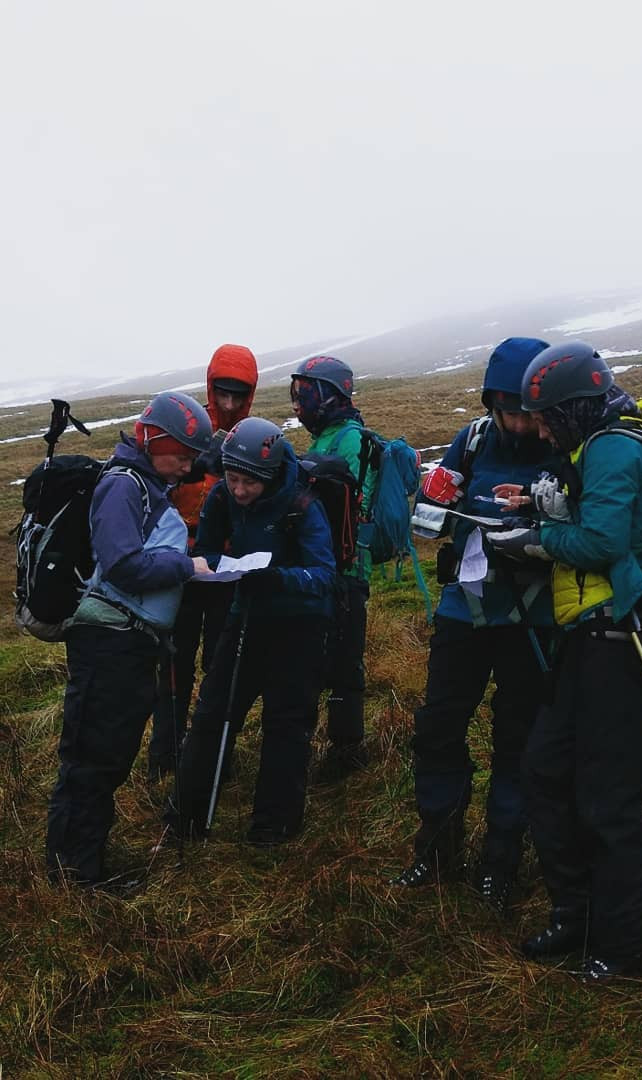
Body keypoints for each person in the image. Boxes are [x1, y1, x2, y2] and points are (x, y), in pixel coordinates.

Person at [486, 341, 642, 979]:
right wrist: (537, 506)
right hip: (586, 638)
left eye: (545, 418)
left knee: (607, 797)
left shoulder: (614, 448)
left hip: (620, 637)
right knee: (545, 771)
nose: (538, 430)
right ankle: (576, 914)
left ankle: (622, 947)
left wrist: (537, 541)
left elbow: (603, 540)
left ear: (571, 409)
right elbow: (593, 516)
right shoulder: (593, 448)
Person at [391, 337, 557, 913]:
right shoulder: (474, 439)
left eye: (529, 411)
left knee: (518, 737)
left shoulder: (562, 445)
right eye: (510, 411)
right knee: (438, 727)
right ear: (492, 404)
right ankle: (436, 850)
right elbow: (427, 521)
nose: (521, 424)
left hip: (532, 617)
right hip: (463, 610)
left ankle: (500, 863)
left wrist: (532, 525)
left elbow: (580, 525)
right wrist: (433, 501)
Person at [45, 391, 214, 888]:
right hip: (108, 643)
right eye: (182, 454)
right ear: (154, 439)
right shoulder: (123, 486)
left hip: (128, 643)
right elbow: (123, 565)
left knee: (109, 754)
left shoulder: (147, 483)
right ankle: (75, 878)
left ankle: (82, 862)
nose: (187, 466)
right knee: (93, 757)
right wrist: (185, 565)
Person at [164, 417, 336, 847]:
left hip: (300, 623)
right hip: (245, 616)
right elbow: (207, 548)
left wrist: (277, 579)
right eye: (233, 478)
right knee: (213, 712)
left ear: (272, 475)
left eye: (250, 483)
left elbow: (325, 575)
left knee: (286, 721)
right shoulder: (222, 496)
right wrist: (219, 569)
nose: (239, 490)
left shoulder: (302, 504)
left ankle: (273, 827)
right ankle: (185, 817)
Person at [148, 344, 258, 782]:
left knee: (220, 664)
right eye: (222, 392)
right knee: (174, 664)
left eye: (238, 395)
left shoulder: (251, 438)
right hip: (180, 567)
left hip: (228, 570)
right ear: (211, 386)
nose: (229, 403)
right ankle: (164, 757)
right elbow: (159, 489)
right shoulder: (189, 431)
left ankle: (210, 758)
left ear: (249, 394)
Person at [289, 355, 376, 782]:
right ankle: (303, 743)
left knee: (344, 659)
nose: (298, 404)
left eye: (305, 394)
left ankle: (347, 750)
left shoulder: (351, 439)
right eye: (295, 394)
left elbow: (348, 501)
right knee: (312, 656)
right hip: (321, 564)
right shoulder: (324, 437)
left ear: (331, 395)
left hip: (347, 568)